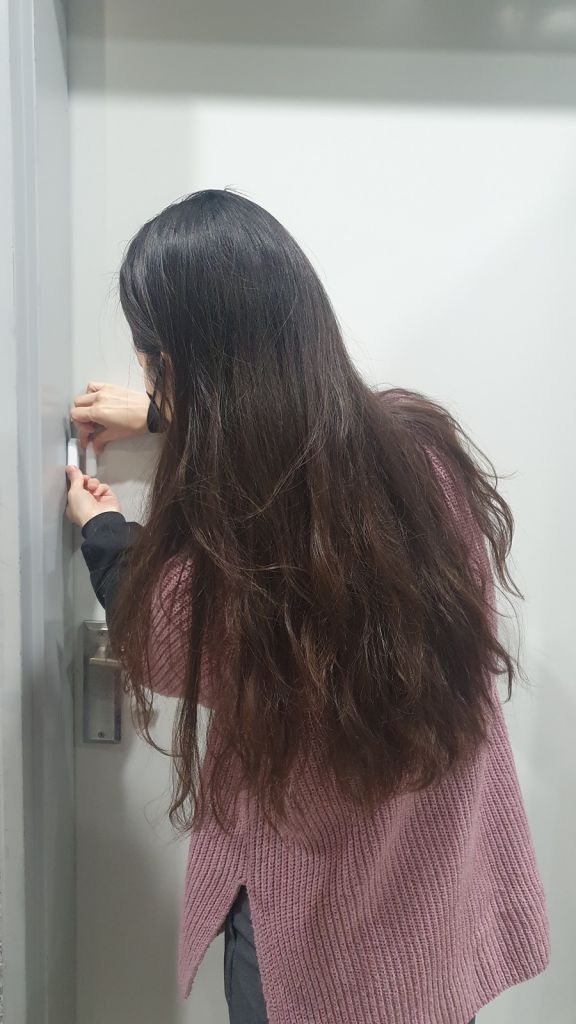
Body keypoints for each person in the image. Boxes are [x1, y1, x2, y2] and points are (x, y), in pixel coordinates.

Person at [66, 188, 550, 1024]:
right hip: (435, 916)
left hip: (312, 949)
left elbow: (155, 636)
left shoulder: (241, 573)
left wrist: (103, 528)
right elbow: (295, 441)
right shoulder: (422, 456)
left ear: (176, 365)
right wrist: (161, 415)